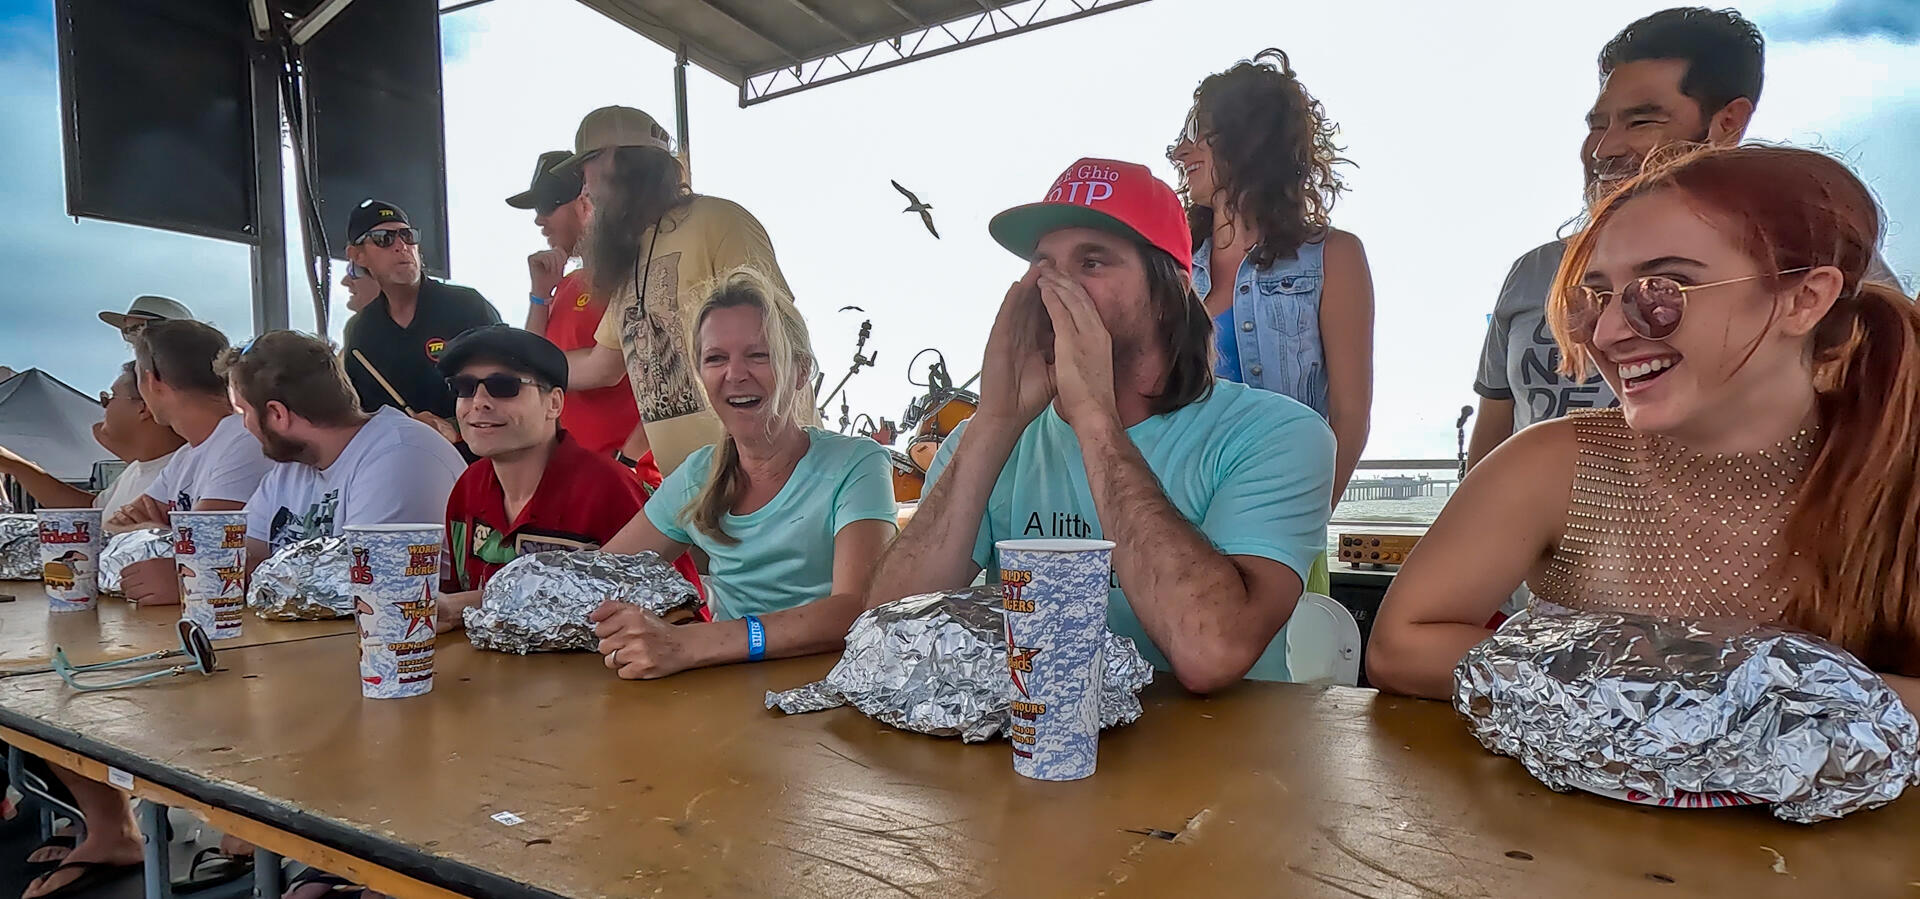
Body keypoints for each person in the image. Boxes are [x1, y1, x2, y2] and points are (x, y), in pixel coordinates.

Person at [1366, 144, 1920, 715]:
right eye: (1595, 299)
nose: (1606, 332)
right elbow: (1400, 646)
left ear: (1805, 300)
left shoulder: (1897, 474)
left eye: (1660, 293)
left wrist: (1731, 685)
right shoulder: (1558, 463)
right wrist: (1699, 680)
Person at [865, 159, 1336, 692]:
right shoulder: (988, 440)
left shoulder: (1279, 436)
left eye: (1092, 262)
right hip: (1037, 758)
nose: (1055, 286)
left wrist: (1095, 419)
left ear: (1171, 291)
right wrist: (994, 422)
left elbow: (1212, 650)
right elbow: (884, 630)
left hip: (1219, 767)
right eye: (1043, 264)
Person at [1467, 7, 1905, 472]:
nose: (1603, 148)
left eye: (1641, 121)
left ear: (1728, 123)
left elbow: (1881, 437)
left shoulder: (1819, 263)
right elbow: (1491, 438)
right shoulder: (1534, 272)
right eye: (1597, 124)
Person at [21, 320, 271, 899]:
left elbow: (201, 553)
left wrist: (167, 540)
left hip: (242, 641)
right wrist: (165, 536)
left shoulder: (235, 440)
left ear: (153, 384)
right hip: (190, 623)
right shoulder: (196, 452)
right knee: (61, 685)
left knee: (79, 689)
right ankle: (110, 828)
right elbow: (126, 527)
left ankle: (160, 829)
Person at [590, 269, 896, 679]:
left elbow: (855, 609)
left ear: (800, 371)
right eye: (716, 358)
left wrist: (693, 643)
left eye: (759, 355)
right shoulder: (697, 475)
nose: (735, 374)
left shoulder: (856, 463)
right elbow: (599, 573)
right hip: (730, 697)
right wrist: (482, 602)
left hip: (837, 697)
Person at [1173, 48, 1373, 509]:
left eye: (1197, 134)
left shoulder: (1334, 256)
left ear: (1247, 137)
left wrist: (1298, 529)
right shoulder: (1173, 263)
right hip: (1177, 520)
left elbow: (1350, 417)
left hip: (1280, 520)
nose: (1182, 151)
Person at [557, 105, 792, 475]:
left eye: (583, 169)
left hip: (764, 481)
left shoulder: (718, 220)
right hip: (688, 493)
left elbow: (783, 338)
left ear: (617, 163)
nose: (584, 187)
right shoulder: (630, 258)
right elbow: (600, 367)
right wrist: (515, 364)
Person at [434, 325, 700, 630]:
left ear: (555, 403)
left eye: (504, 386)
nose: (478, 402)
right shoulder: (466, 489)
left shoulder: (610, 489)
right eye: (464, 388)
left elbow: (684, 615)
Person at [223, 331, 467, 572]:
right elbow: (237, 560)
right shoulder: (290, 469)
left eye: (244, 413)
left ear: (278, 413)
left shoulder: (402, 455)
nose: (245, 426)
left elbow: (371, 584)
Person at [507, 149, 645, 461]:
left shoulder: (634, 275)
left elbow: (607, 370)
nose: (538, 219)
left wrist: (630, 462)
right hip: (572, 475)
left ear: (585, 202)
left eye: (547, 204)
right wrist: (540, 295)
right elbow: (529, 364)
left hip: (631, 480)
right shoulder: (566, 285)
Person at [338, 199, 501, 448]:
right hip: (402, 466)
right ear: (357, 255)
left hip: (480, 464)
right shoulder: (360, 332)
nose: (401, 246)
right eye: (384, 238)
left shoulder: (467, 306)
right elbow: (359, 417)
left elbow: (511, 383)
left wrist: (452, 427)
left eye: (407, 235)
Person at [0, 362, 183, 511]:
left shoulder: (182, 474)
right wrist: (19, 467)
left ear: (143, 407)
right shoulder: (140, 469)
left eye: (109, 398)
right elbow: (92, 511)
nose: (103, 407)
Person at [98, 294, 193, 344]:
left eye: (138, 328)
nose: (132, 336)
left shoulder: (196, 371)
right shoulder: (134, 373)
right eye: (127, 331)